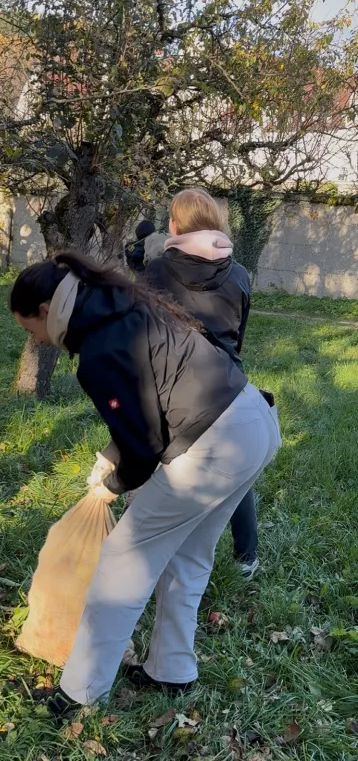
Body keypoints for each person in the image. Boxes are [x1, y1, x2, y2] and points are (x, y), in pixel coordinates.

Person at [10, 252, 280, 717]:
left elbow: (144, 447)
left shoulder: (96, 351)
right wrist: (113, 454)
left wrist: (111, 483)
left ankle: (78, 693)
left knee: (120, 562)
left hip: (213, 445)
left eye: (27, 328)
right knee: (189, 557)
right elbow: (151, 402)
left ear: (44, 310)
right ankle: (171, 670)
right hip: (254, 419)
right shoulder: (123, 301)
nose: (34, 339)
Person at [145, 188, 258, 578]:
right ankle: (247, 558)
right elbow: (238, 336)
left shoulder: (156, 271)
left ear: (175, 225)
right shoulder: (240, 273)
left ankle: (161, 554)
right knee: (236, 475)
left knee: (168, 472)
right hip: (229, 387)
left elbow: (147, 334)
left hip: (173, 388)